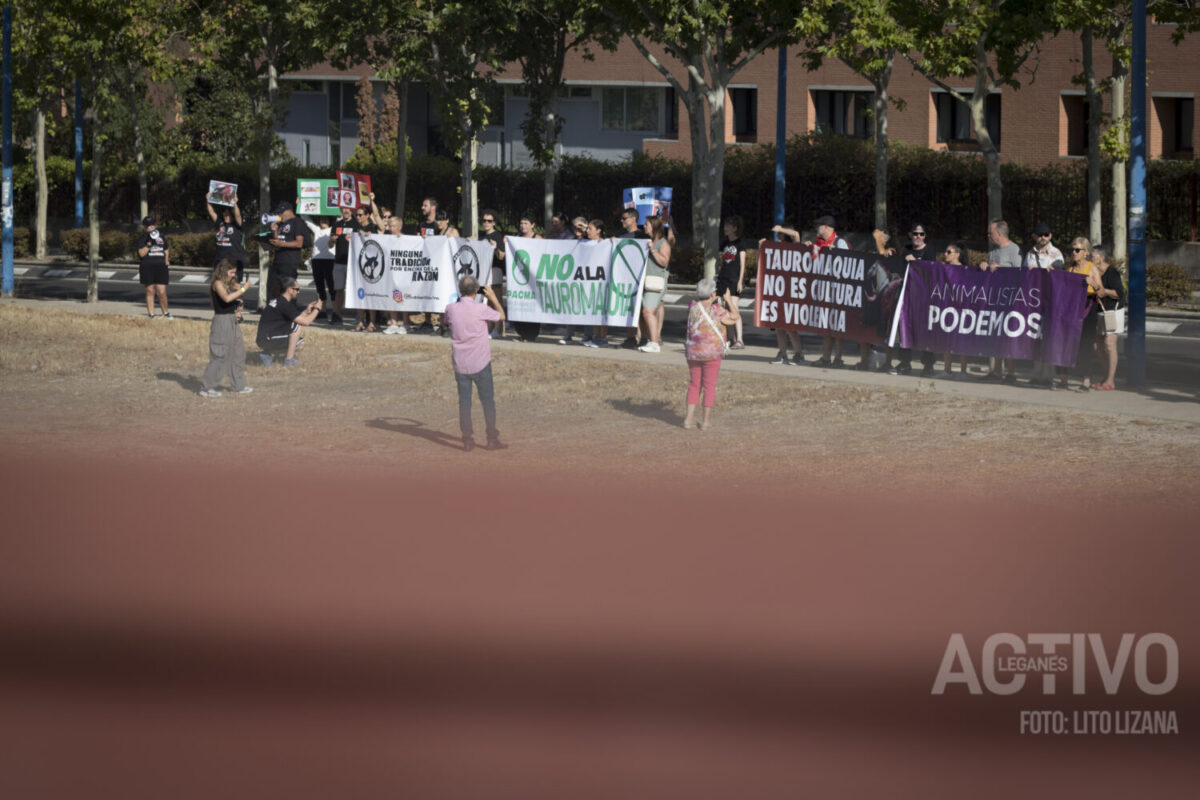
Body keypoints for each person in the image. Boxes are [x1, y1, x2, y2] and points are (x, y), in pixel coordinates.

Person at [444, 274, 505, 451]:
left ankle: (467, 439)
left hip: (460, 364)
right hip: (481, 362)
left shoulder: (451, 309)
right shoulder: (481, 310)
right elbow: (501, 316)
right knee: (488, 402)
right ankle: (492, 438)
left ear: (460, 291)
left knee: (464, 402)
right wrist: (493, 297)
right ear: (476, 291)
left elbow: (445, 321)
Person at [682, 278, 740, 431]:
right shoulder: (717, 311)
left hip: (693, 352)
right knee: (709, 386)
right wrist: (727, 299)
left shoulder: (692, 307)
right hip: (712, 354)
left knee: (694, 385)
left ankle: (688, 419)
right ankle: (705, 420)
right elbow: (734, 318)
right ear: (713, 293)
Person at [199, 259, 253, 397]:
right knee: (220, 355)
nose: (233, 275)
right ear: (223, 271)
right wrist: (243, 288)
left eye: (234, 272)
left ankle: (238, 386)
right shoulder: (217, 283)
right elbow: (226, 299)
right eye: (231, 272)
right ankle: (207, 388)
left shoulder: (229, 284)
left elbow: (234, 299)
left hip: (232, 320)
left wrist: (239, 304)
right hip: (221, 321)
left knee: (238, 353)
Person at [980, 219, 1023, 382]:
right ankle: (996, 371)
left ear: (998, 233)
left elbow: (1020, 273)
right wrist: (984, 266)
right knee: (995, 334)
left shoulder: (1014, 250)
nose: (989, 236)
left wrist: (1002, 270)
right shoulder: (993, 251)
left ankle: (1011, 373)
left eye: (990, 233)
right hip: (994, 298)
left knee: (1008, 335)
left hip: (1010, 299)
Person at [804, 215, 850, 368]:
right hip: (824, 291)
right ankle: (825, 358)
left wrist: (837, 253)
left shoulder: (840, 242)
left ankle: (838, 359)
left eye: (819, 226)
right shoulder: (819, 243)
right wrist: (807, 248)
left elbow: (850, 263)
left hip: (838, 291)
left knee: (836, 327)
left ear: (828, 227)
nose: (817, 228)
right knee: (825, 326)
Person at [1023, 222, 1065, 388]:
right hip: (1034, 300)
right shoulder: (1030, 253)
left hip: (1051, 299)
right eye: (1040, 234)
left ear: (1050, 236)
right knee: (1034, 336)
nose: (1043, 238)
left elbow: (1059, 271)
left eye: (1046, 234)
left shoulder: (1056, 254)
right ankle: (1037, 372)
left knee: (1049, 336)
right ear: (1034, 236)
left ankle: (1049, 375)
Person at [892, 222, 934, 375]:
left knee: (924, 331)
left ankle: (928, 365)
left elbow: (930, 271)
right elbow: (899, 269)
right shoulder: (906, 250)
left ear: (925, 236)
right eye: (915, 234)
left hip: (923, 297)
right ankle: (905, 363)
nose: (918, 236)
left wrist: (915, 262)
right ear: (910, 235)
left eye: (921, 234)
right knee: (904, 329)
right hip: (907, 296)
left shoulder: (929, 251)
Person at [255, 275, 322, 366]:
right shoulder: (284, 304)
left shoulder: (280, 301)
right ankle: (289, 360)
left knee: (300, 343)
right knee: (296, 326)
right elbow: (306, 322)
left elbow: (296, 317)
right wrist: (317, 309)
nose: (298, 292)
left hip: (264, 338)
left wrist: (306, 311)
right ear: (290, 290)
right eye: (297, 289)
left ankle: (267, 354)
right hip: (267, 339)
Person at [765, 224, 804, 365]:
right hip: (778, 290)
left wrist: (780, 229)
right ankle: (782, 353)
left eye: (781, 235)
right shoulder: (776, 248)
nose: (778, 237)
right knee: (778, 324)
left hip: (791, 291)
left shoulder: (795, 247)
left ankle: (798, 354)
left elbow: (796, 235)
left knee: (790, 326)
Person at [1064, 237, 1097, 390]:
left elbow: (1102, 292)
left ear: (1085, 252)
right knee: (1068, 342)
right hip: (1072, 307)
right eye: (1072, 249)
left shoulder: (1091, 268)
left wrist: (1094, 284)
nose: (1074, 252)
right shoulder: (1070, 268)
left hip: (1088, 307)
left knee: (1086, 344)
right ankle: (1064, 378)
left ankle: (1086, 380)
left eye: (1077, 250)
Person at [1091, 246, 1125, 391]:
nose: (1089, 259)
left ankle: (1111, 381)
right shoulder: (1092, 270)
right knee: (1097, 345)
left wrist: (1104, 291)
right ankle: (1106, 376)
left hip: (1112, 311)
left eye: (1092, 256)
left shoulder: (1111, 272)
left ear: (1101, 257)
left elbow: (1119, 293)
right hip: (1098, 311)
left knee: (1109, 344)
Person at [615, 208, 650, 349]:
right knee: (628, 308)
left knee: (641, 310)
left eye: (624, 218)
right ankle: (631, 337)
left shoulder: (643, 236)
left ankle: (645, 338)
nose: (621, 220)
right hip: (625, 278)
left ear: (633, 218)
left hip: (640, 277)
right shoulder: (621, 237)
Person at [638, 215, 671, 353]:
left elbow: (664, 262)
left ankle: (654, 342)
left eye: (647, 224)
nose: (644, 226)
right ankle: (648, 339)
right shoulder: (647, 241)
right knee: (643, 312)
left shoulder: (663, 243)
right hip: (644, 281)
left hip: (655, 281)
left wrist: (652, 250)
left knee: (648, 311)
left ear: (654, 226)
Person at [510, 212, 543, 343]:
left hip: (533, 278)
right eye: (521, 223)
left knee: (532, 304)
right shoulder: (516, 238)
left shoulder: (538, 238)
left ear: (533, 225)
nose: (523, 226)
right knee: (519, 303)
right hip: (519, 279)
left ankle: (531, 335)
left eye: (526, 223)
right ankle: (521, 333)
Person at [939, 243, 971, 378]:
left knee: (962, 340)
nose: (945, 254)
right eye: (945, 252)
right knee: (946, 339)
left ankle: (963, 371)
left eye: (948, 252)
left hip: (961, 308)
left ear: (957, 254)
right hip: (946, 307)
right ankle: (947, 370)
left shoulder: (965, 269)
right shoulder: (943, 268)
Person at [716, 215, 747, 350]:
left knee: (734, 306)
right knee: (725, 308)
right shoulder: (724, 243)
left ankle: (740, 339)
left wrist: (740, 281)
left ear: (735, 228)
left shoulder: (740, 243)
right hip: (724, 277)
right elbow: (721, 261)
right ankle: (730, 338)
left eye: (729, 226)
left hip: (734, 278)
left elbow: (742, 263)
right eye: (725, 225)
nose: (725, 228)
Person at [266, 200, 309, 292]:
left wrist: (281, 244)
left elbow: (299, 243)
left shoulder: (297, 222)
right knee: (272, 289)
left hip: (289, 262)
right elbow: (278, 240)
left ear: (289, 211)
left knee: (287, 291)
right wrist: (275, 230)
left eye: (281, 213)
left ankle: (290, 306)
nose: (279, 215)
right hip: (277, 261)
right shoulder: (281, 223)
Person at [479, 209, 507, 340]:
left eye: (489, 221)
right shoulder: (481, 236)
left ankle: (499, 329)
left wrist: (495, 247)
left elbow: (502, 256)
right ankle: (489, 328)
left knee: (496, 299)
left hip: (495, 269)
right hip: (484, 270)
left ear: (494, 222)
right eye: (484, 220)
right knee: (487, 300)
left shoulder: (497, 236)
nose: (486, 223)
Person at [206, 194, 247, 283]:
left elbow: (238, 216)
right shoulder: (220, 223)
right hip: (220, 261)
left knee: (235, 287)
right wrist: (208, 200)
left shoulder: (237, 225)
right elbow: (211, 213)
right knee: (219, 286)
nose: (226, 215)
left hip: (234, 261)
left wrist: (235, 204)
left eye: (228, 213)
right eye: (225, 213)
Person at [137, 215, 172, 319]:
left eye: (152, 225)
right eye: (148, 226)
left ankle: (165, 313)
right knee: (150, 291)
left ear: (155, 225)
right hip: (147, 266)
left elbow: (166, 249)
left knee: (161, 291)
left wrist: (166, 260)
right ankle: (151, 314)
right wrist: (148, 245)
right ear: (144, 228)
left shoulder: (161, 236)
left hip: (161, 266)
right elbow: (141, 254)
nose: (151, 228)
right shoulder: (143, 239)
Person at [302, 214, 335, 321]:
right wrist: (300, 204)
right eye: (322, 219)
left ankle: (335, 311)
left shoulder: (333, 230)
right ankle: (322, 310)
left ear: (330, 221)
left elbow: (340, 218)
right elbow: (306, 220)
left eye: (326, 219)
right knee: (319, 287)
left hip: (329, 260)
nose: (324, 221)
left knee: (331, 287)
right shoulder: (316, 229)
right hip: (316, 261)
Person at [582, 219, 609, 348]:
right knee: (593, 310)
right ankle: (596, 337)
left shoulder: (606, 243)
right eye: (587, 228)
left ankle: (603, 338)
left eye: (590, 228)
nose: (587, 231)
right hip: (590, 280)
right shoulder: (586, 243)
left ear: (598, 230)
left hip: (602, 281)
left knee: (601, 311)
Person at [328, 206, 356, 327]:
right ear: (341, 210)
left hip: (353, 262)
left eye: (348, 209)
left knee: (355, 290)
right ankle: (337, 314)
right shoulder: (336, 224)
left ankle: (360, 317)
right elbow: (330, 245)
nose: (346, 211)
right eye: (343, 209)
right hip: (339, 262)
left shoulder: (356, 224)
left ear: (352, 211)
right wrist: (332, 240)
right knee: (339, 289)